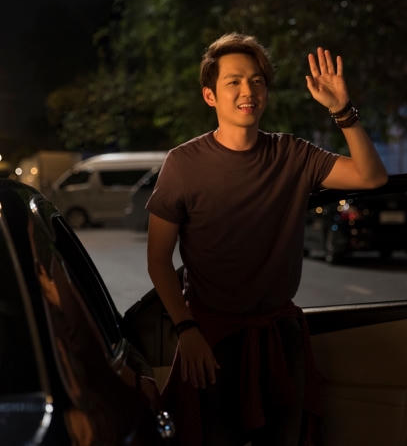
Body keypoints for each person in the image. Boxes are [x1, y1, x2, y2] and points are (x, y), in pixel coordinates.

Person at [146, 33, 388, 445]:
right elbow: (158, 260)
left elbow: (372, 176)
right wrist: (187, 330)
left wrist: (342, 110)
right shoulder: (183, 164)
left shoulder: (292, 154)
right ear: (210, 96)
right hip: (211, 337)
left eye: (257, 81)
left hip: (279, 336)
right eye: (234, 81)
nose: (248, 91)